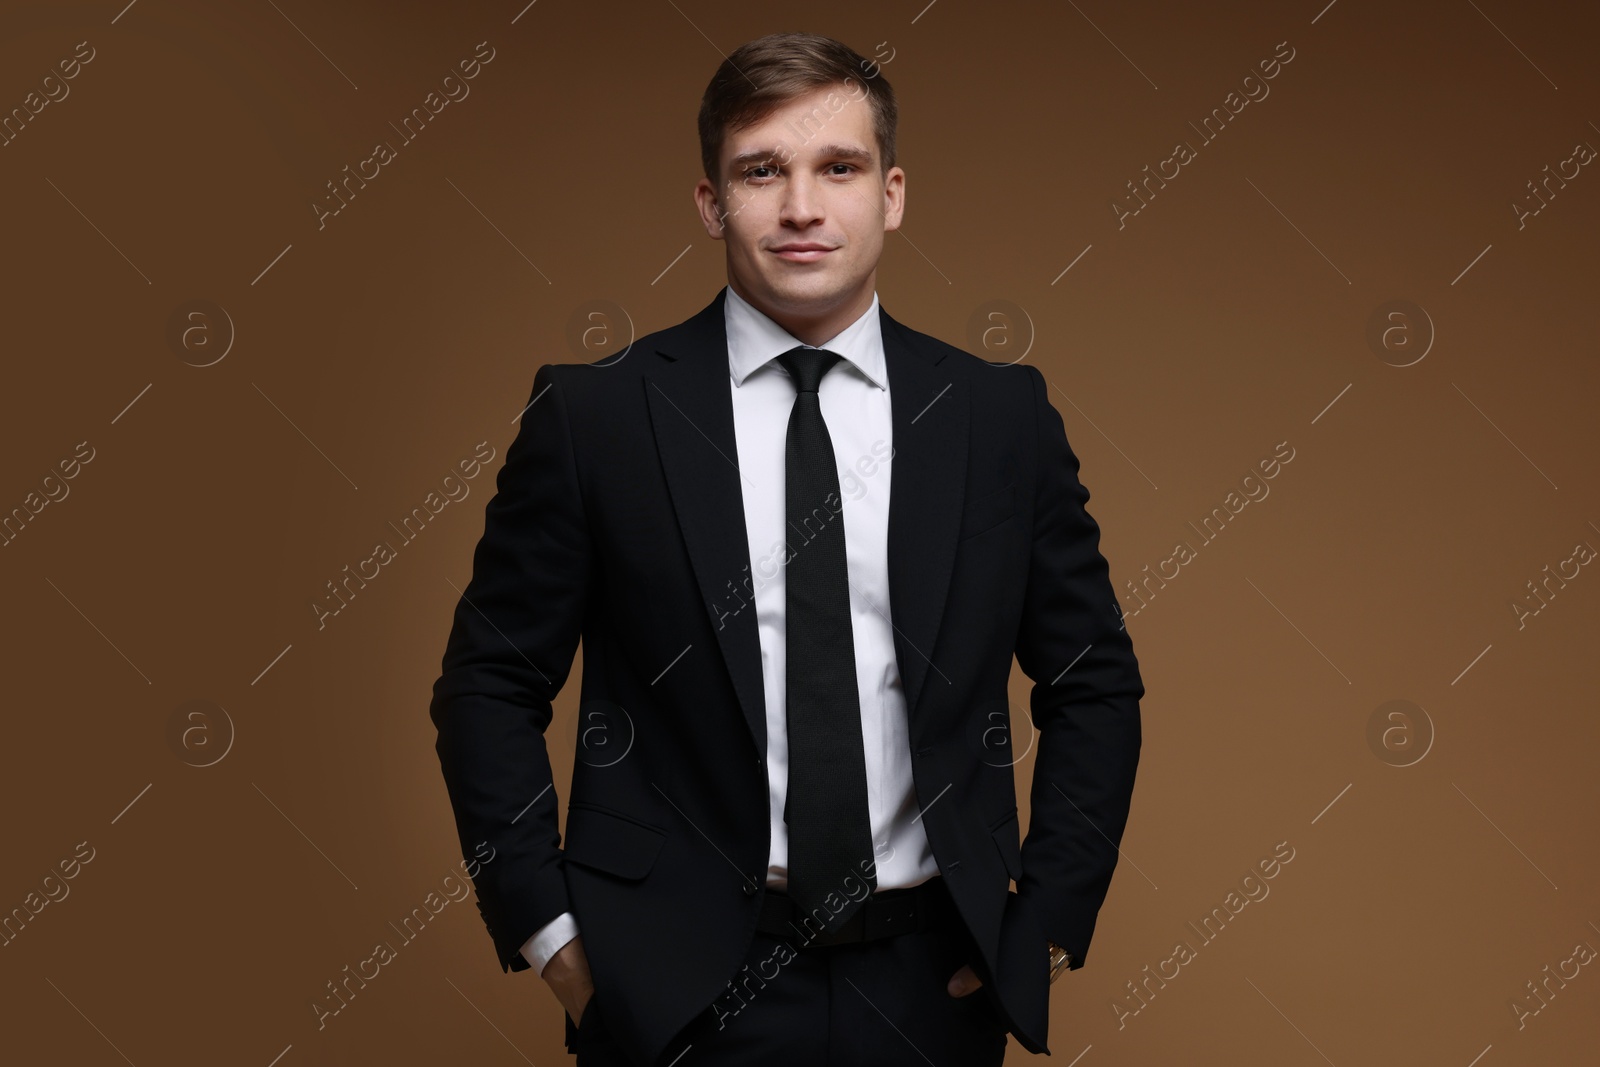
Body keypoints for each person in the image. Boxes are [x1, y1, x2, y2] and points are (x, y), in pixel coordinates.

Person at [429, 30, 1143, 1066]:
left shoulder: (998, 418)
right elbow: (488, 683)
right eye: (761, 171)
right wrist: (554, 936)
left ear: (891, 193)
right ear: (712, 203)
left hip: (932, 983)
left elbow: (1094, 683)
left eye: (837, 169)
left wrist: (1046, 923)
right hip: (673, 990)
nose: (801, 207)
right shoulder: (599, 418)